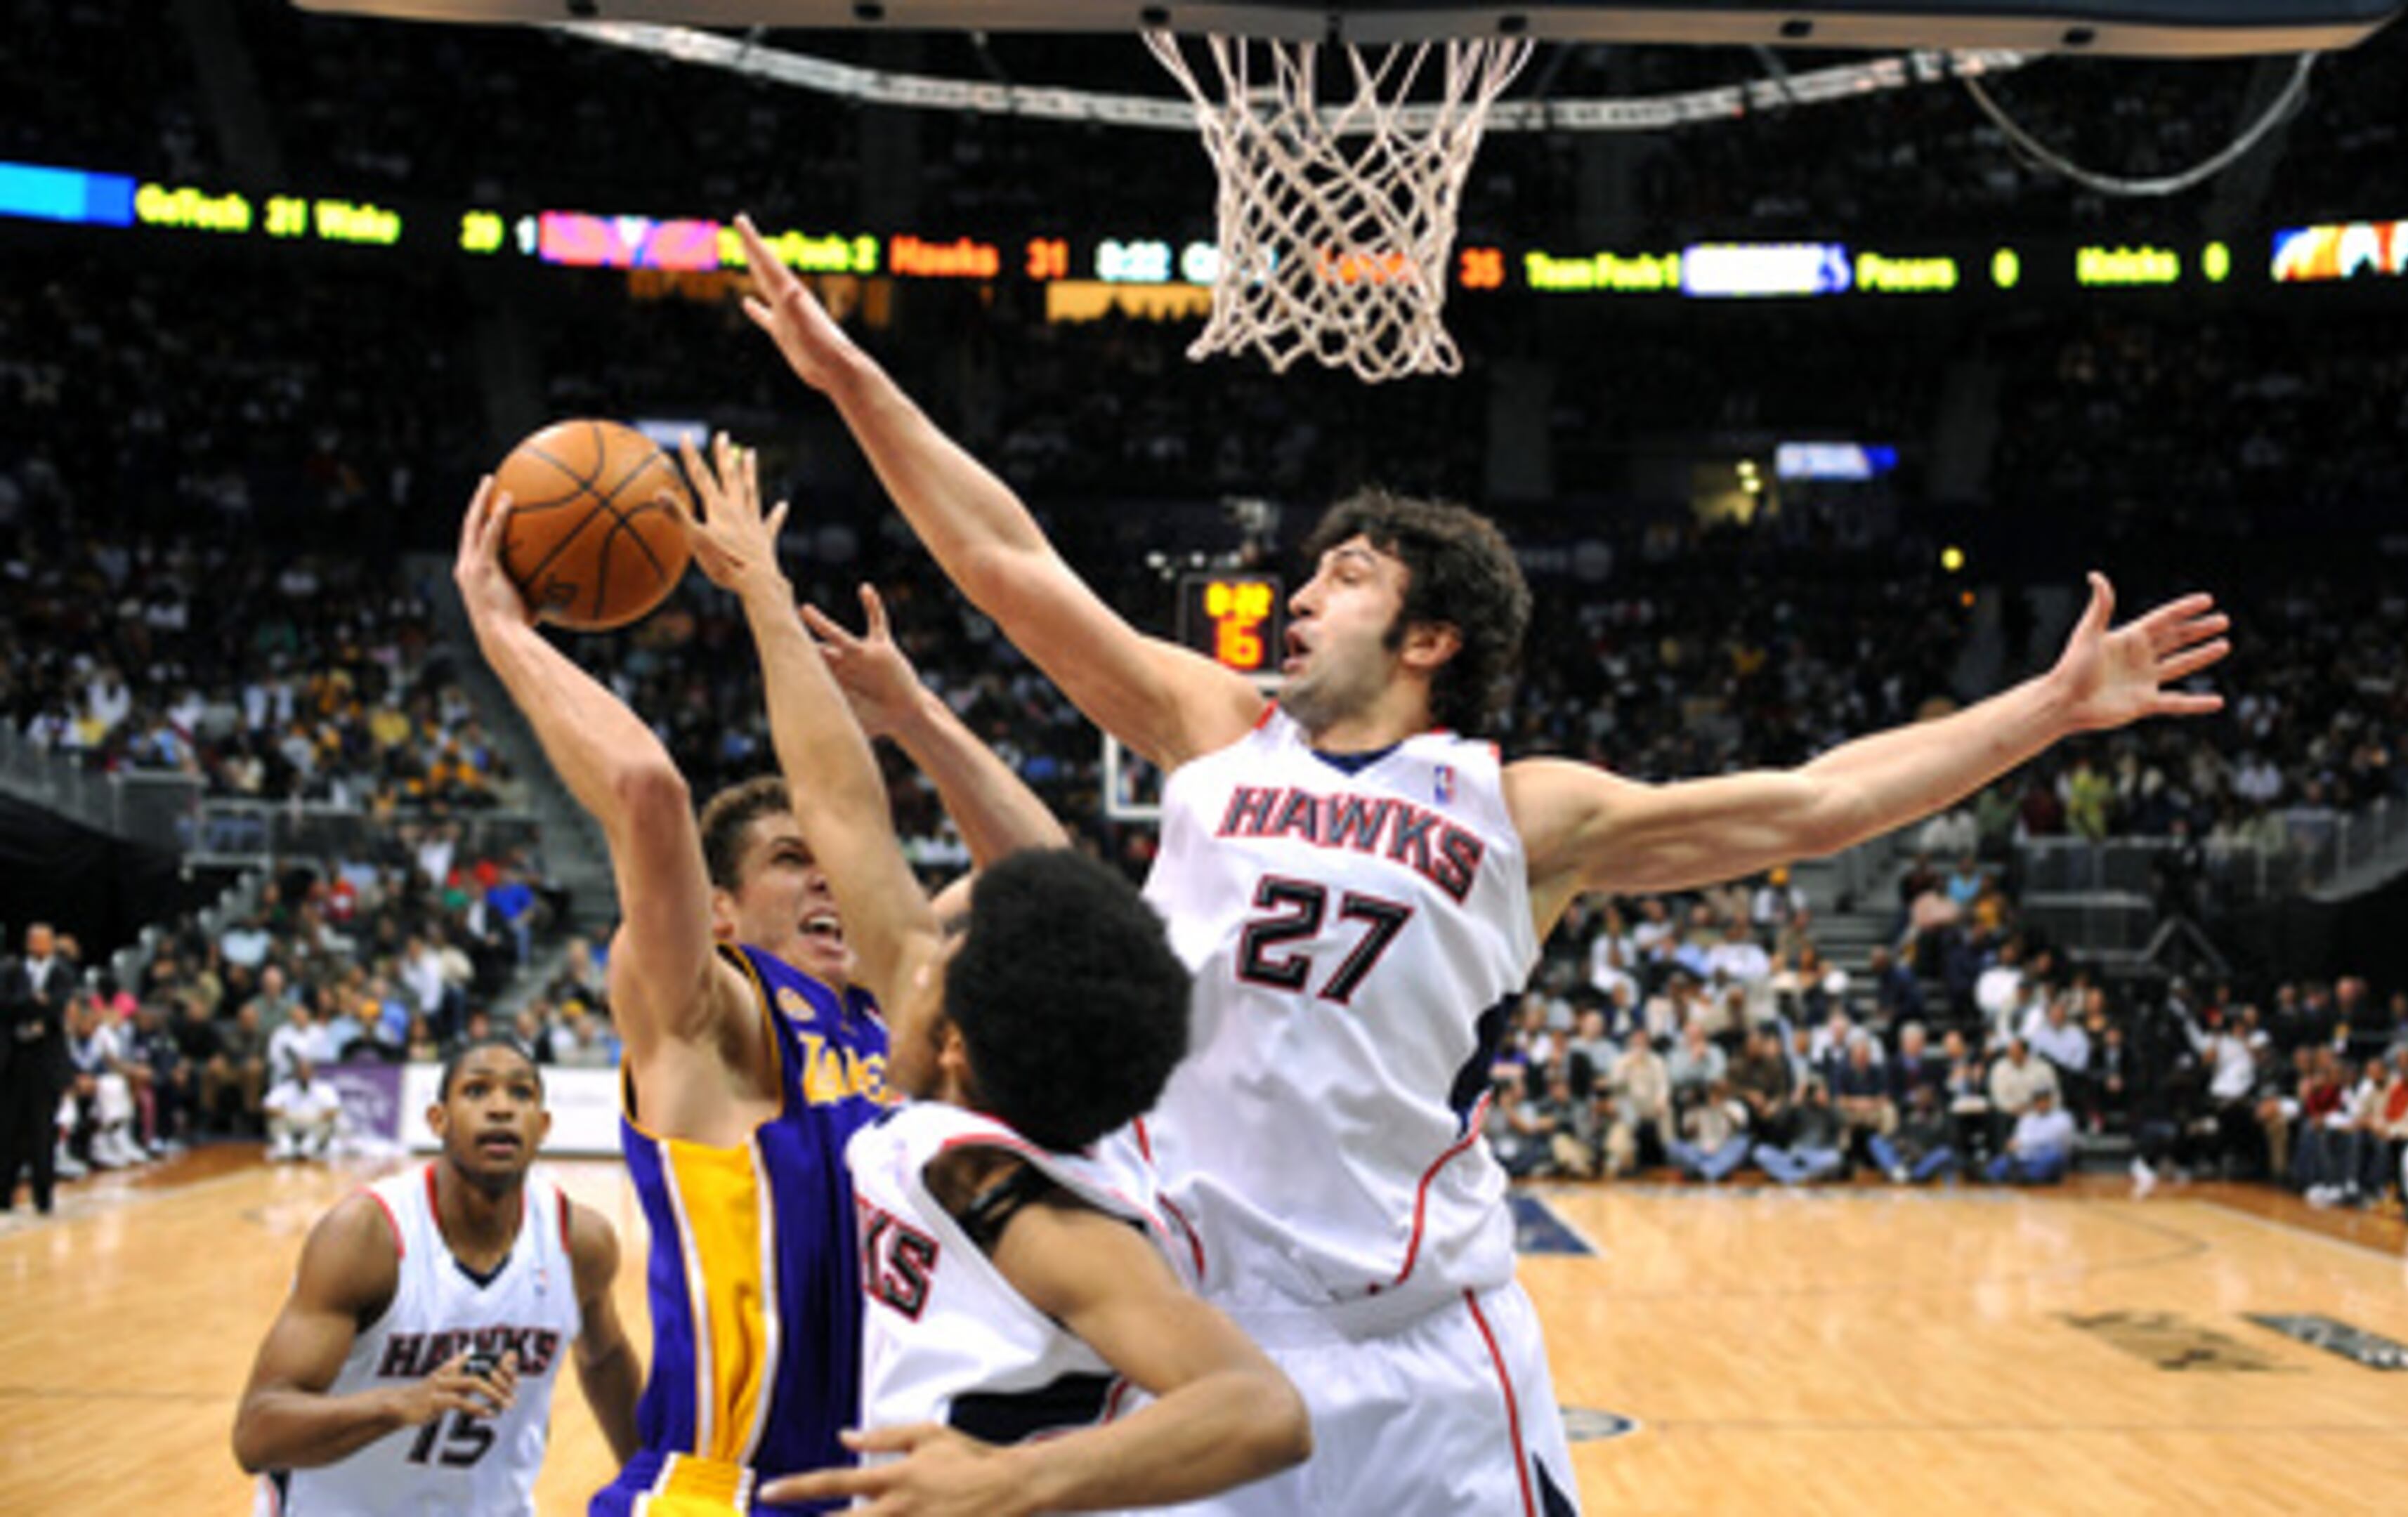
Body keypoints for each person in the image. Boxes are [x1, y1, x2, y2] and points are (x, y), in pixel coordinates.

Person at [736, 214, 2231, 1515]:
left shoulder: (1523, 811)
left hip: (1424, 1351)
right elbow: (1008, 563)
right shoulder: (1212, 733)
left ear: (1431, 638)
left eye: (1347, 577)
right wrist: (848, 373)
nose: (1301, 596)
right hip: (1198, 1332)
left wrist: (2048, 705)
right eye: (1313, 569)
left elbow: (1813, 804)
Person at [668, 442, 1310, 1512]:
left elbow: (1263, 1410)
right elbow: (846, 809)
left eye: (938, 975)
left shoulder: (1017, 1205)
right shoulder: (987, 1115)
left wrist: (1013, 1480)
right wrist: (766, 598)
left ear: (957, 1042)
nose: (913, 958)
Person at [455, 468, 1035, 1516]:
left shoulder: (900, 1009)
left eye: (828, 860)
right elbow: (645, 792)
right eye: (786, 859)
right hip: (722, 1497)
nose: (824, 875)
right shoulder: (715, 1016)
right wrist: (505, 632)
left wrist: (898, 702)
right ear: (718, 911)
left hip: (895, 1496)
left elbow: (1036, 873)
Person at [233, 1037, 639, 1514]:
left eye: (521, 1094)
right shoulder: (367, 1237)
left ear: (543, 1125)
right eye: (476, 1091)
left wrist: (647, 1478)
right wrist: (401, 1404)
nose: (501, 1109)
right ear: (437, 1120)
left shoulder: (580, 1242)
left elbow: (604, 1357)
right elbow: (257, 1434)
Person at [4, 923, 83, 1209]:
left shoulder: (62, 972)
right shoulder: (11, 971)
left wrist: (36, 1008)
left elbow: (58, 1005)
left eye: (44, 941)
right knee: (9, 1128)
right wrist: (34, 1003)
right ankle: (4, 1194)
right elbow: (7, 1005)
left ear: (51, 944)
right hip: (15, 1059)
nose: (38, 946)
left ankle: (43, 1196)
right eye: (33, 941)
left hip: (46, 1060)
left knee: (42, 1129)